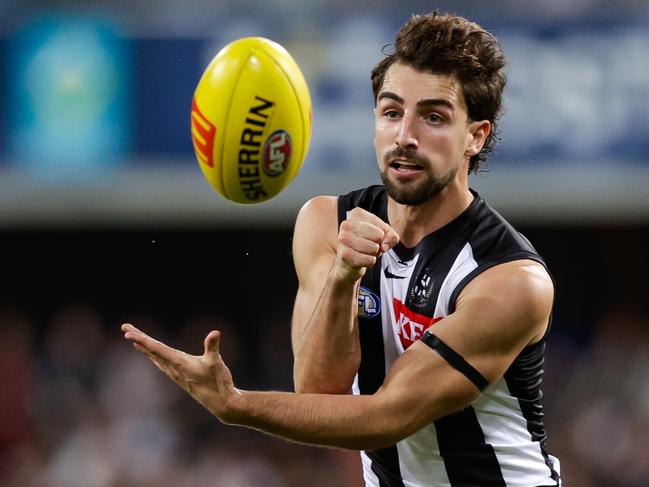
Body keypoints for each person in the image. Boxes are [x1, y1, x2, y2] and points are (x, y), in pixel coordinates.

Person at [122, 11, 562, 486]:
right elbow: (318, 388)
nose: (405, 136)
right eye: (391, 112)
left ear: (476, 135)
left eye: (433, 117)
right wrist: (343, 277)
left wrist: (237, 405)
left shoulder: (511, 281)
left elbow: (388, 417)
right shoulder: (324, 223)